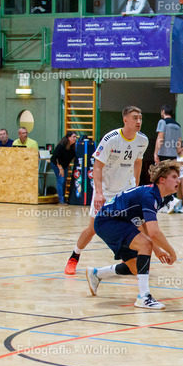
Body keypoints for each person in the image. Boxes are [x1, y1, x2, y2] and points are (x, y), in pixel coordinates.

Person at [64, 106, 148, 275]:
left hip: (126, 189)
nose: (138, 121)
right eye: (135, 118)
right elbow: (97, 167)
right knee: (93, 228)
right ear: (125, 120)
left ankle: (131, 258)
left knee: (136, 224)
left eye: (140, 118)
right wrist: (99, 193)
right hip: (107, 190)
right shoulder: (111, 139)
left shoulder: (143, 140)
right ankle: (74, 257)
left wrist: (136, 187)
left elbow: (138, 162)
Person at [86, 160, 179, 309]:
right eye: (174, 177)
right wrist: (171, 252)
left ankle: (97, 274)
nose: (178, 180)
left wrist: (157, 250)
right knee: (145, 245)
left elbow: (144, 224)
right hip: (108, 221)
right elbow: (154, 232)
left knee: (136, 267)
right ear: (162, 179)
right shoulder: (149, 196)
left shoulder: (157, 196)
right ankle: (144, 297)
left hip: (120, 222)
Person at [50, 131, 77, 205]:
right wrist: (60, 168)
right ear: (68, 137)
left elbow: (73, 157)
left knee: (64, 181)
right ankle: (61, 200)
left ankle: (63, 198)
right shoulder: (61, 146)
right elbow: (56, 158)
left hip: (64, 165)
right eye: (73, 137)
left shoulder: (72, 148)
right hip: (56, 164)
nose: (75, 138)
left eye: (75, 137)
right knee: (61, 180)